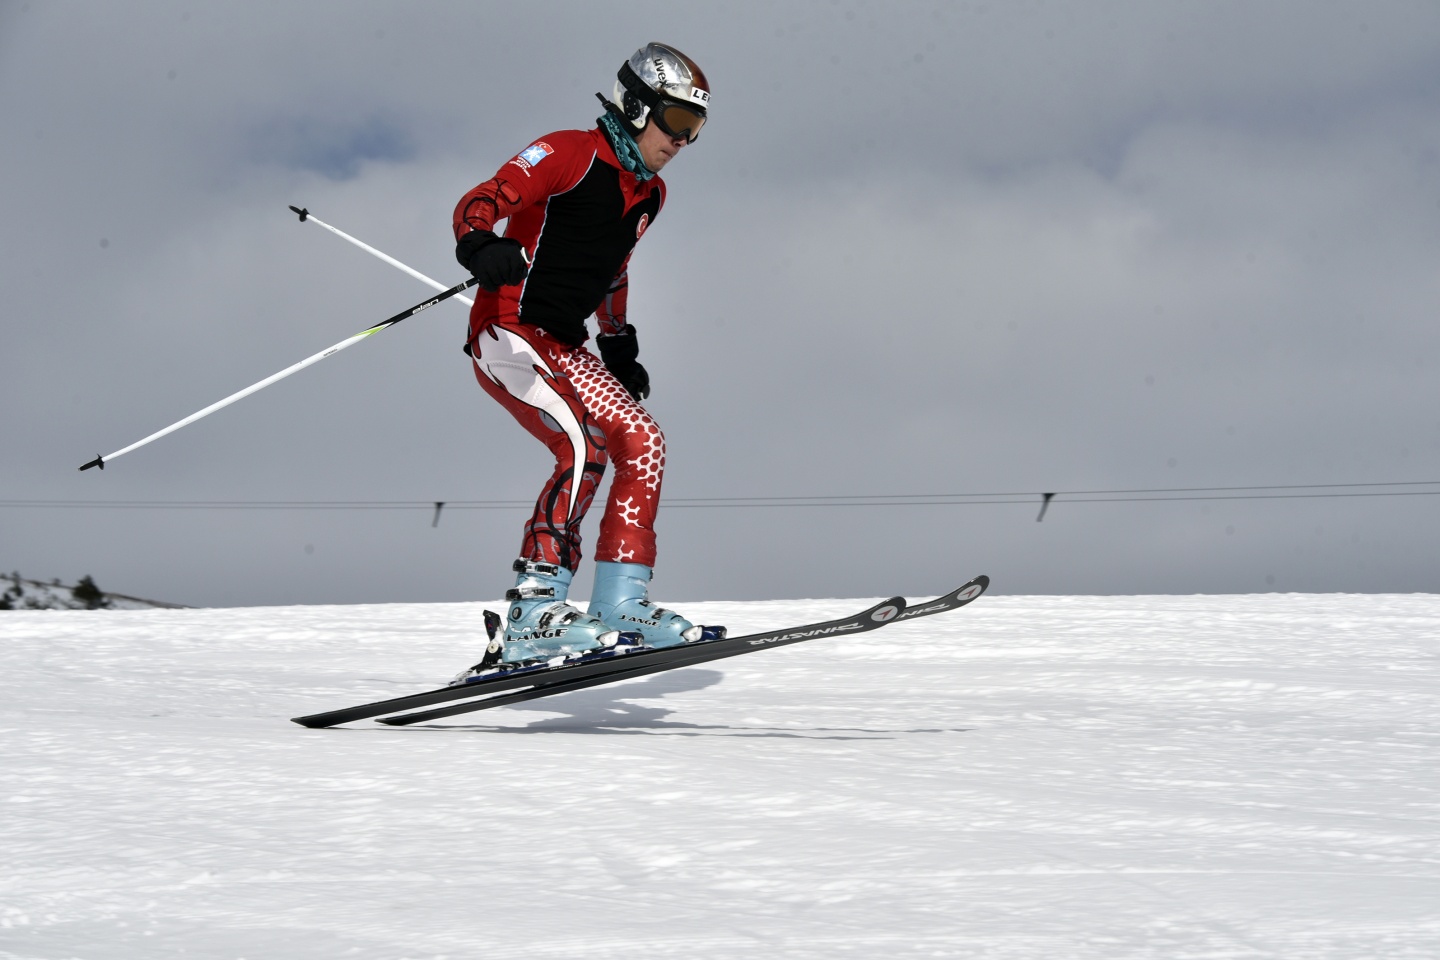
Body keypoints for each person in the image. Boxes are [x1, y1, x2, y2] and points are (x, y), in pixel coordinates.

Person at [449, 42, 724, 679]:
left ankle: (621, 603)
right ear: (635, 106)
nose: (683, 141)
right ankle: (532, 611)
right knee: (584, 442)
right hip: (509, 332)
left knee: (644, 441)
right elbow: (482, 198)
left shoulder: (649, 193)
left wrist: (618, 341)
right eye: (677, 122)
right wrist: (479, 245)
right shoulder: (568, 152)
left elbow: (613, 269)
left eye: (696, 130)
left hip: (565, 346)